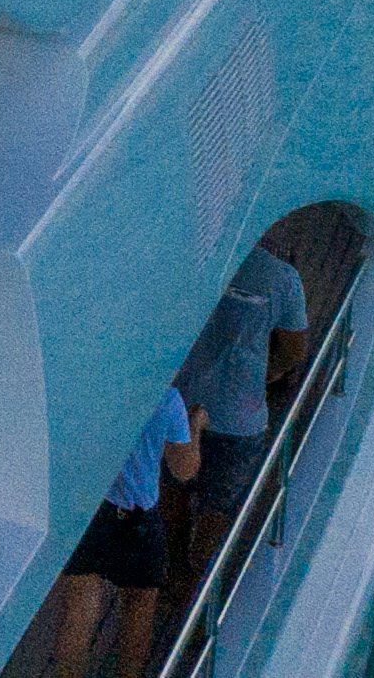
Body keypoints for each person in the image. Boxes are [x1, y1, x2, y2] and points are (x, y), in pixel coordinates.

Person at [176, 238, 317, 584]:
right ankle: (196, 580)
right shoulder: (282, 278)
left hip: (184, 404)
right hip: (240, 419)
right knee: (217, 510)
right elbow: (294, 351)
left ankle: (174, 568)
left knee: (174, 492)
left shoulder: (196, 255)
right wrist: (268, 375)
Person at [55, 386, 198, 678]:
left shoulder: (101, 385)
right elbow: (184, 469)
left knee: (79, 612)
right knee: (137, 611)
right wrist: (196, 424)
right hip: (138, 517)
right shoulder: (167, 398)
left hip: (91, 509)